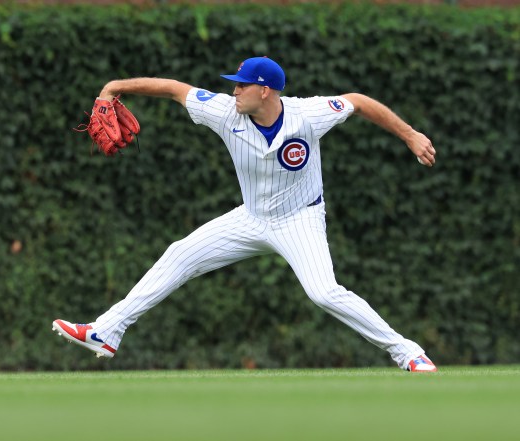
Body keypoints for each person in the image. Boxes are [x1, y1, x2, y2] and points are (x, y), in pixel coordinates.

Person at [53, 56, 438, 372]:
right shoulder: (224, 111)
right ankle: (106, 330)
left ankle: (407, 352)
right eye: (234, 83)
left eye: (241, 84)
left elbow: (357, 101)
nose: (233, 90)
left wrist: (410, 135)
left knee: (323, 292)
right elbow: (173, 88)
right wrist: (114, 87)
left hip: (299, 219)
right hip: (250, 218)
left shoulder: (308, 115)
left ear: (264, 90)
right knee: (180, 253)